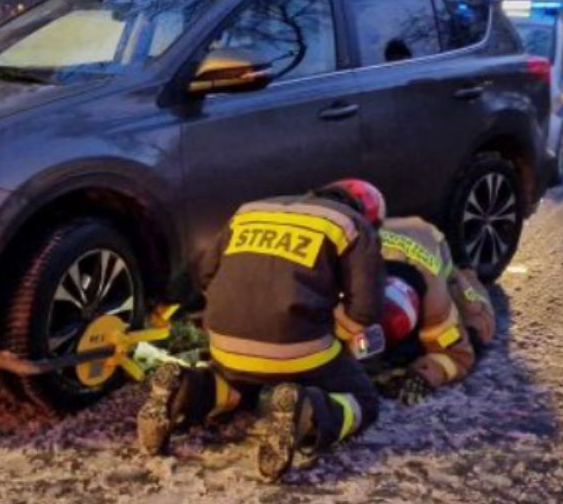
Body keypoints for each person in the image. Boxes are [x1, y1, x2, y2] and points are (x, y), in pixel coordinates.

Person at [136, 180, 386, 482]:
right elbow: (364, 312)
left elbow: (204, 274)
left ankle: (185, 389)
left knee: (239, 387)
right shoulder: (352, 226)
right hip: (298, 350)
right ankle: (307, 411)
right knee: (363, 399)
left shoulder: (251, 210)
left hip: (225, 342)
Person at [371, 216, 496, 405]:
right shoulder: (352, 276)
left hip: (427, 238)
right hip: (393, 231)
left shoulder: (436, 308)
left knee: (479, 325)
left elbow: (460, 357)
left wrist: (427, 375)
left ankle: (465, 269)